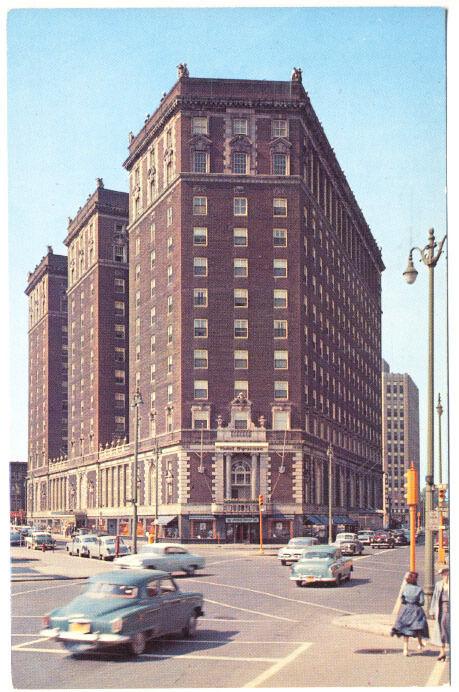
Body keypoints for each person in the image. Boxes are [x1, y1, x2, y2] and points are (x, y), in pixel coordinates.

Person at [390, 571, 429, 656]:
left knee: (406, 630)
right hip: (416, 610)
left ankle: (405, 650)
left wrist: (407, 602)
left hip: (407, 609)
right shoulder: (419, 589)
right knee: (418, 627)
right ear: (416, 580)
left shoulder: (405, 588)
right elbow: (422, 602)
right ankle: (420, 643)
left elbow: (402, 599)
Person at [429, 566, 449, 661]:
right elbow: (435, 598)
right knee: (441, 631)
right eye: (443, 574)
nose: (445, 575)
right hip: (441, 610)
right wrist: (432, 611)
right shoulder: (438, 584)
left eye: (446, 573)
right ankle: (442, 651)